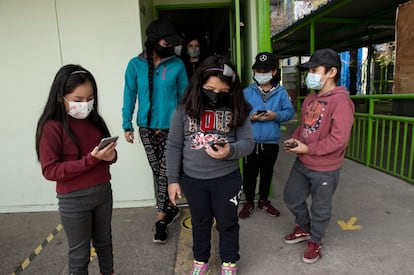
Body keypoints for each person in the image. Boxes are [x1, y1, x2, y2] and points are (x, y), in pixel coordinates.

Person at [166, 55, 254, 275]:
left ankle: (229, 262)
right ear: (198, 85)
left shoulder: (238, 109)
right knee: (200, 222)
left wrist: (230, 151)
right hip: (193, 180)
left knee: (228, 222)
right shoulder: (182, 111)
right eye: (209, 89)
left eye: (223, 92)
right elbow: (174, 146)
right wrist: (172, 180)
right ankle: (200, 260)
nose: (215, 95)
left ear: (231, 90)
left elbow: (248, 144)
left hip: (227, 179)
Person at [35, 64, 117, 275]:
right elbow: (50, 170)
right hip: (74, 200)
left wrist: (110, 156)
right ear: (60, 97)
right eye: (78, 100)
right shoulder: (52, 127)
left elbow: (106, 158)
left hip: (102, 193)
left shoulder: (95, 121)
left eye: (90, 99)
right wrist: (91, 159)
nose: (85, 105)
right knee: (80, 254)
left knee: (105, 244)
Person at [282, 48, 355, 264]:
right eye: (309, 70)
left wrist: (308, 149)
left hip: (326, 168)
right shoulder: (309, 99)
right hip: (302, 162)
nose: (310, 74)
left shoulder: (341, 102)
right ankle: (304, 228)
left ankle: (315, 240)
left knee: (320, 208)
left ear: (331, 72)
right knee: (291, 198)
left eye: (314, 70)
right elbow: (303, 127)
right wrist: (296, 140)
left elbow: (339, 140)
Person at [122, 19, 188, 243]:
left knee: (164, 172)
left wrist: (187, 126)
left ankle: (161, 219)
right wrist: (126, 124)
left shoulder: (177, 65)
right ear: (153, 41)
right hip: (147, 128)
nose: (169, 45)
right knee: (160, 171)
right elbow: (129, 95)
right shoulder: (135, 65)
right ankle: (170, 206)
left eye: (172, 42)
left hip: (173, 128)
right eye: (165, 41)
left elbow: (184, 98)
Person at [239, 52, 295, 219]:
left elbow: (289, 112)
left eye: (265, 70)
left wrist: (275, 115)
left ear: (274, 72)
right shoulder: (246, 92)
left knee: (267, 173)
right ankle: (248, 202)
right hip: (251, 142)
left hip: (270, 142)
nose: (261, 73)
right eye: (258, 70)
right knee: (249, 174)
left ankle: (264, 201)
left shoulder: (281, 93)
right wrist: (251, 117)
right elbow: (238, 114)